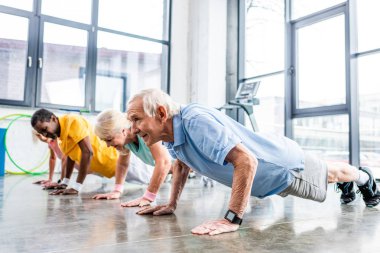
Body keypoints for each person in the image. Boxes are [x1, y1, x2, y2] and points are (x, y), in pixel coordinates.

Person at [126, 88, 380, 236]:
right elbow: (181, 164)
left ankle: (365, 179)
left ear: (160, 113)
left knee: (331, 173)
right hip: (266, 175)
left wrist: (231, 219)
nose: (134, 129)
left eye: (137, 119)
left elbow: (246, 161)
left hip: (281, 168)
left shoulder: (194, 121)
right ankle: (351, 183)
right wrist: (171, 204)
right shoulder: (170, 134)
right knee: (329, 172)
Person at [30, 109, 153, 196]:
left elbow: (87, 152)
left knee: (151, 176)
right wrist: (64, 183)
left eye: (45, 129)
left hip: (115, 160)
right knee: (150, 176)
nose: (45, 135)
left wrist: (77, 186)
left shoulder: (72, 121)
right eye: (42, 133)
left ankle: (170, 173)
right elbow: (70, 158)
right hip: (107, 168)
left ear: (53, 119)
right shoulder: (61, 138)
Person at [92, 109, 171, 207]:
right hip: (174, 170)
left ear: (123, 130)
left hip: (186, 164)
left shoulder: (145, 133)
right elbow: (122, 164)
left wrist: (148, 197)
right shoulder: (127, 142)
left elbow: (164, 162)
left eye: (109, 139)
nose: (108, 145)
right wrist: (117, 190)